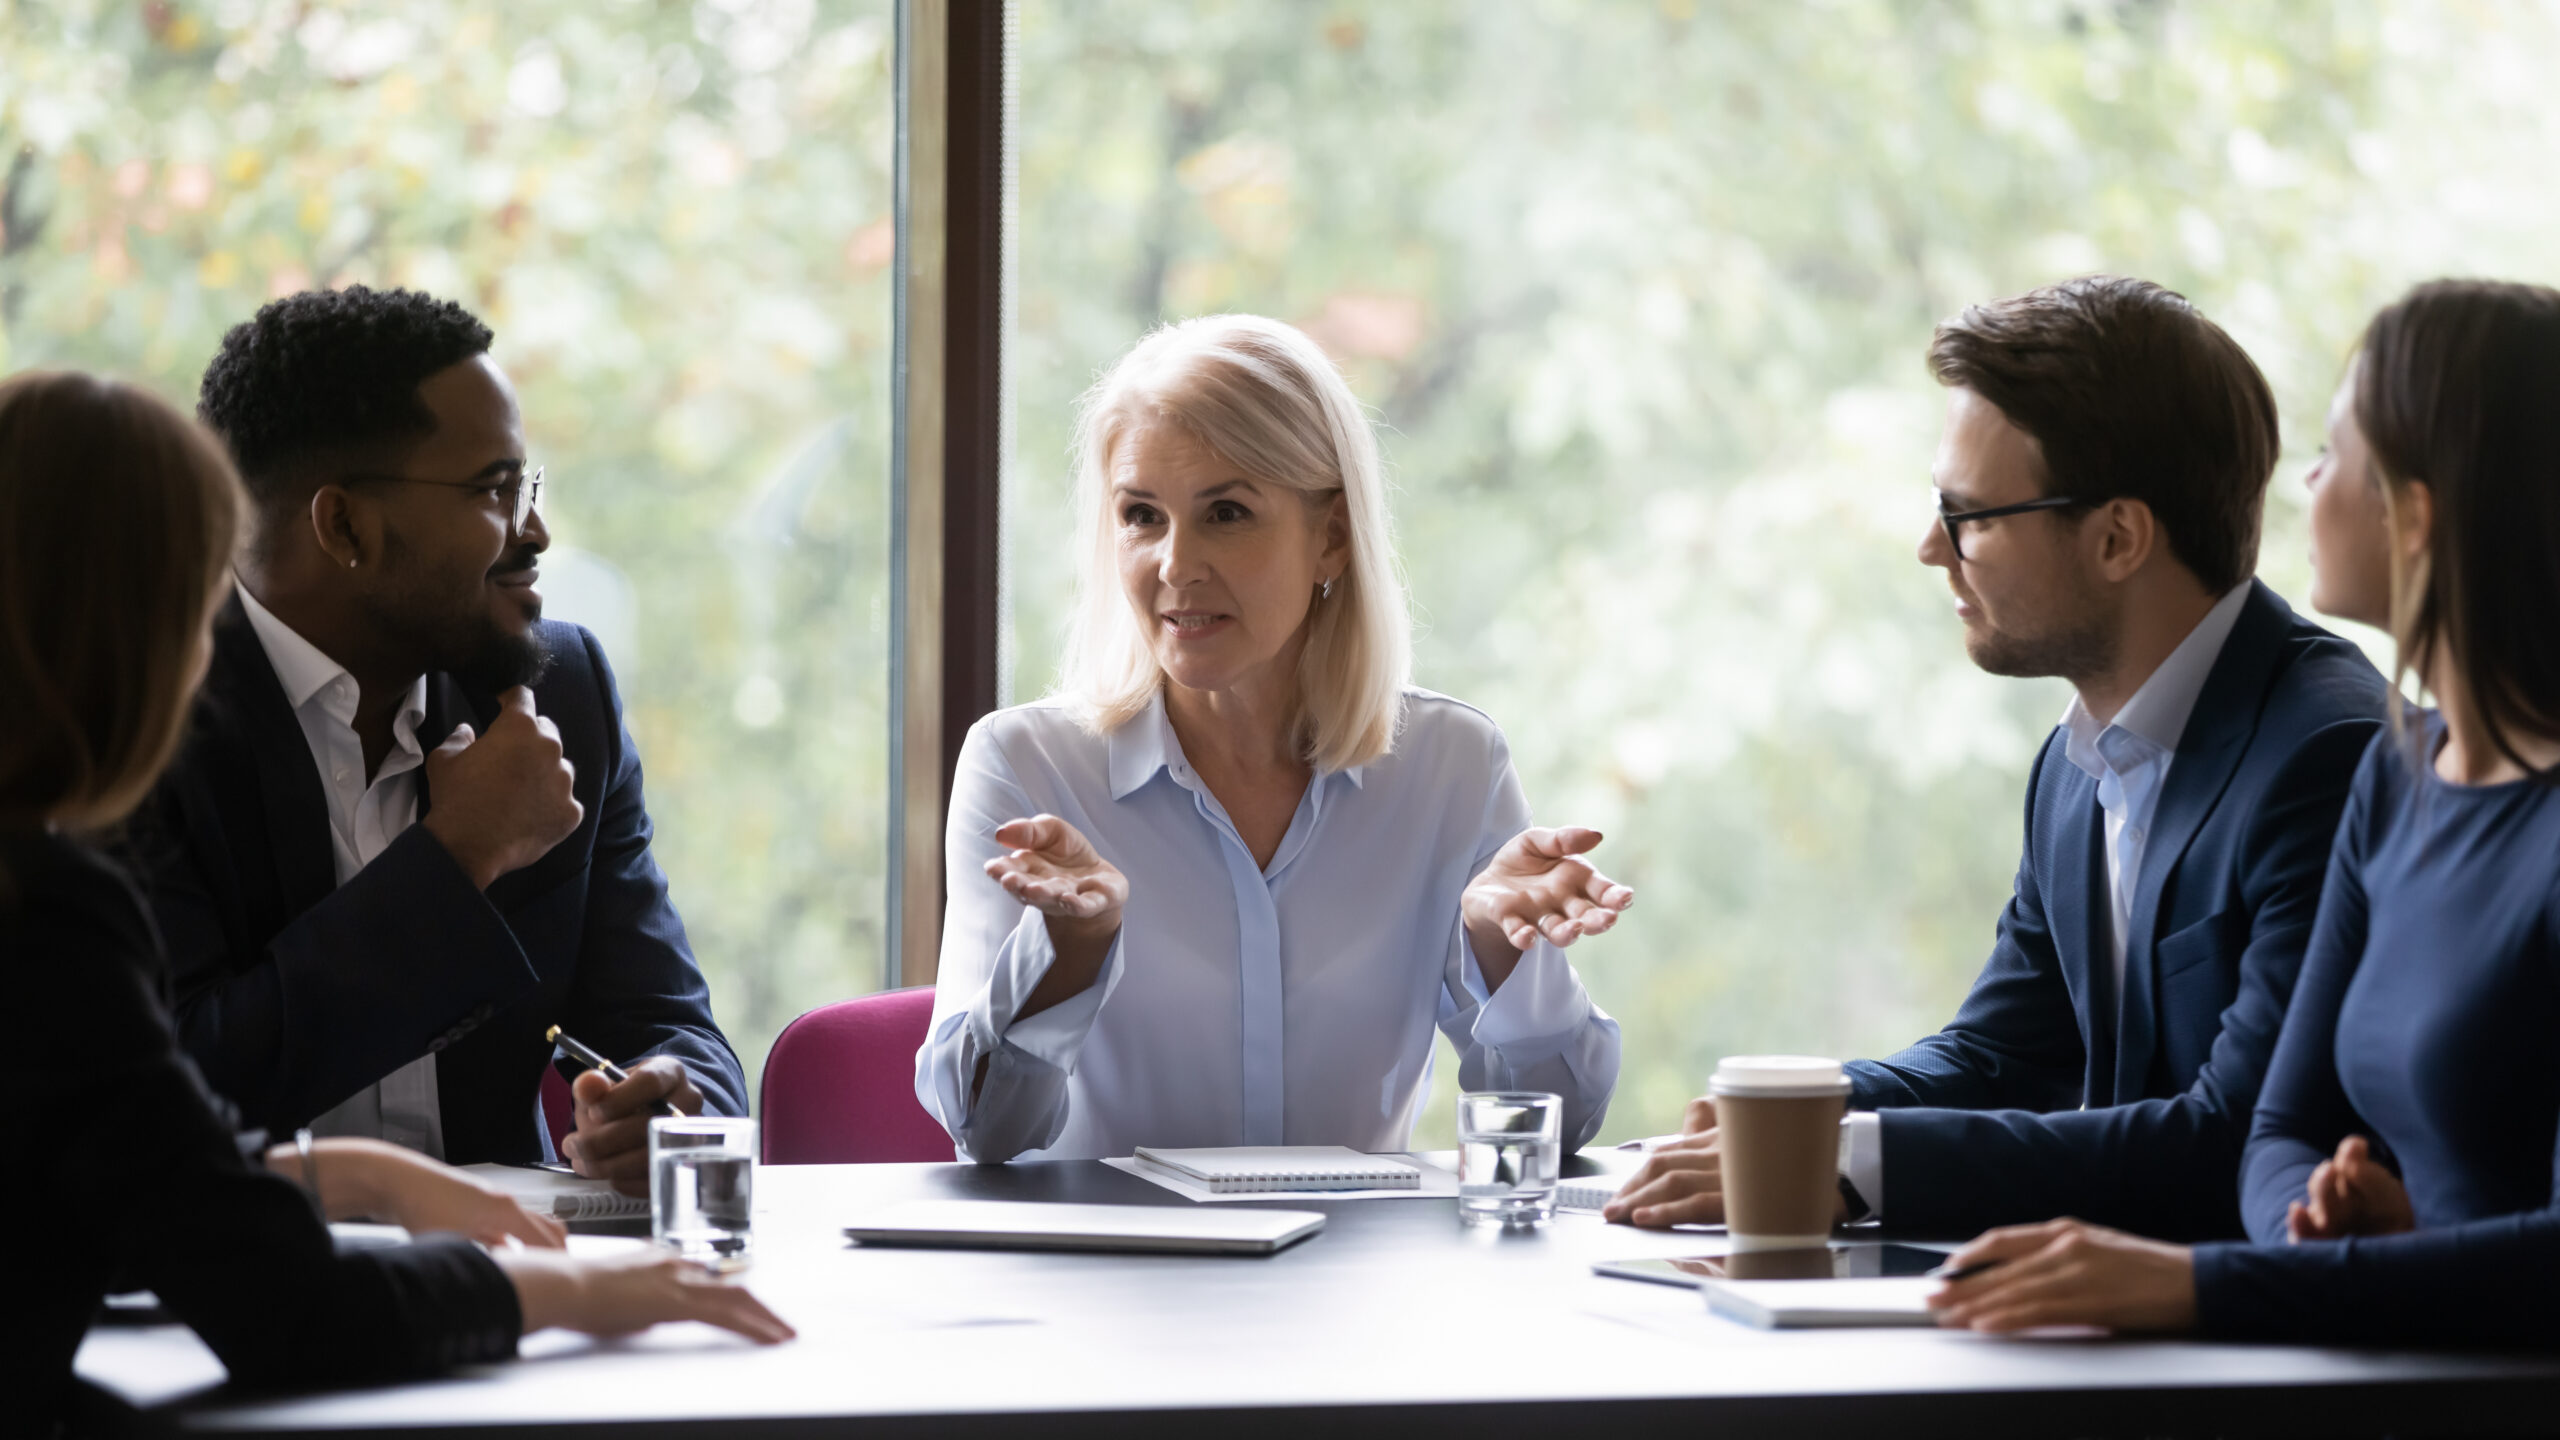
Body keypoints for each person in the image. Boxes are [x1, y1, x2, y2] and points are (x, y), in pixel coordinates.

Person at [10, 371, 791, 1436]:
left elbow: (123, 1143)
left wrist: (366, 1176)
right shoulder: (51, 896)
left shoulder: (553, 694)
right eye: (190, 607)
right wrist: (569, 1297)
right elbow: (256, 1268)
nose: (200, 653)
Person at [1609, 277, 2388, 1239]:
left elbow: (2230, 1135)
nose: (1930, 546)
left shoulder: (2331, 755)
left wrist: (1844, 1161)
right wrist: (1789, 1113)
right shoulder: (2076, 765)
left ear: (2117, 538)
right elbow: (2002, 1056)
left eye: (1968, 512)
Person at [1929, 279, 2560, 1342]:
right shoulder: (2397, 780)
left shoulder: (2333, 747)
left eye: (2332, 454)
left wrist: (2193, 1286)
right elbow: (2280, 1129)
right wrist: (2317, 1233)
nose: (2302, 485)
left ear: (2415, 515)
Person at [915, 314, 1630, 1163]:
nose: (1177, 565)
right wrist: (1065, 954)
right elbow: (982, 1132)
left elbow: (1565, 1122)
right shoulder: (1026, 768)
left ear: (1329, 536)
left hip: (1353, 1285)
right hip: (1110, 1285)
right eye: (1142, 516)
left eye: (1226, 512)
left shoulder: (1451, 765)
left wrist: (1500, 954)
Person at [127, 286, 744, 1190]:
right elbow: (175, 1100)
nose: (534, 530)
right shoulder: (137, 718)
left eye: (525, 485)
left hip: (521, 1278)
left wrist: (674, 1098)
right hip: (237, 1294)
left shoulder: (560, 692)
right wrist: (457, 859)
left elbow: (669, 1021)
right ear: (342, 525)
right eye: (494, 489)